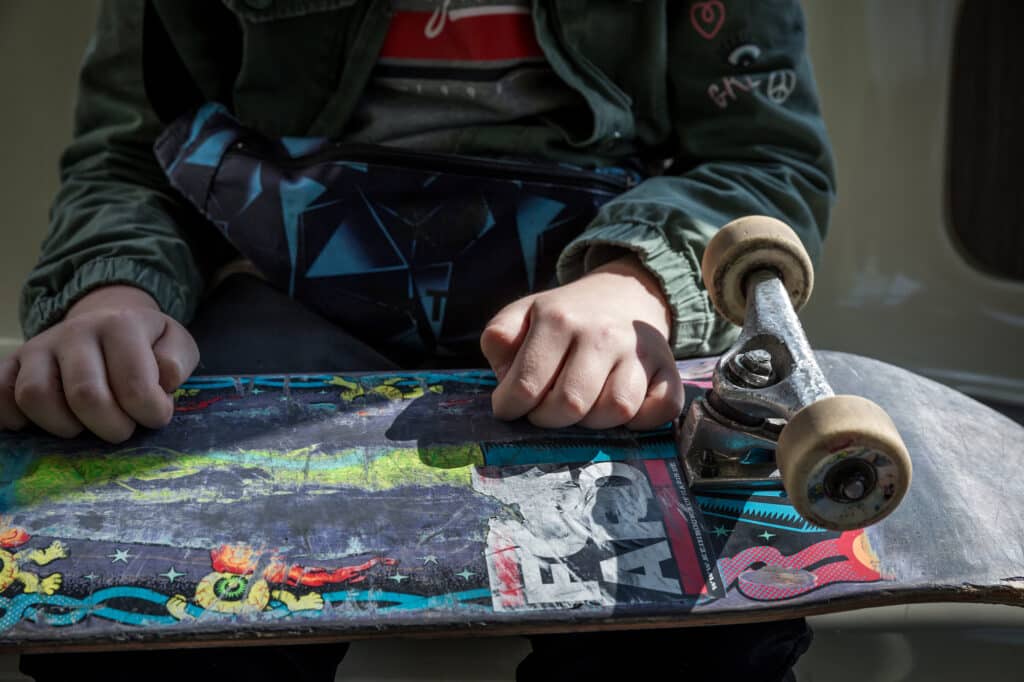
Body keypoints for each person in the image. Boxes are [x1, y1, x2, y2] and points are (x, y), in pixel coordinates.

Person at [2, 1, 833, 680]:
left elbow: (761, 160)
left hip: (604, 331)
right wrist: (111, 293)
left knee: (694, 639)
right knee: (143, 623)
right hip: (279, 322)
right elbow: (136, 152)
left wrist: (636, 284)